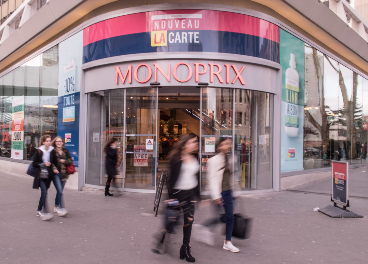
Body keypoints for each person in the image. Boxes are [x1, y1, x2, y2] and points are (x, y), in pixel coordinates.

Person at [152, 133, 199, 262]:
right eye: (192, 142)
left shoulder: (195, 157)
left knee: (188, 221)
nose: (195, 144)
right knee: (172, 220)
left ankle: (185, 248)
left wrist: (198, 195)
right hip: (178, 194)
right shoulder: (175, 158)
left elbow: (196, 177)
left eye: (196, 142)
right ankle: (162, 238)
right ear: (184, 144)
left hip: (190, 195)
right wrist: (170, 197)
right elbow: (171, 179)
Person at [201, 137, 241, 253]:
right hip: (219, 193)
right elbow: (212, 178)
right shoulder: (213, 160)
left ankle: (227, 242)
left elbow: (234, 175)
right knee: (219, 217)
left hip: (229, 192)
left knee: (230, 217)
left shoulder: (232, 158)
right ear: (219, 146)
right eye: (223, 144)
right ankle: (204, 227)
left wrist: (237, 190)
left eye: (228, 144)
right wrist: (216, 196)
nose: (226, 146)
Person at [32, 135, 54, 221]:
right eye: (47, 141)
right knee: (44, 192)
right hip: (40, 175)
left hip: (48, 175)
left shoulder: (52, 151)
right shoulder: (39, 151)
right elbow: (34, 163)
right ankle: (45, 212)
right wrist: (44, 164)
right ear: (43, 142)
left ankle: (38, 210)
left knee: (44, 193)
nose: (49, 142)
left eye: (50, 140)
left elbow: (54, 162)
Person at [50, 136, 73, 216]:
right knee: (59, 191)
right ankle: (61, 208)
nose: (59, 143)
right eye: (57, 141)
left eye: (60, 141)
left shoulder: (66, 151)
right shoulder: (52, 151)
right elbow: (50, 162)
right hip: (56, 174)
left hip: (64, 174)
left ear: (62, 142)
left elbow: (70, 160)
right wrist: (53, 168)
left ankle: (56, 206)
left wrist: (64, 161)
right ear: (55, 143)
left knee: (60, 191)